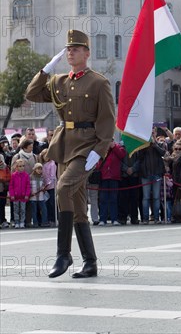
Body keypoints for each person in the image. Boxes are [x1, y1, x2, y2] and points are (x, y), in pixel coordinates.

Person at [25, 29, 115, 278]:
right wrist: (45, 71)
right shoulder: (59, 81)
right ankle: (90, 262)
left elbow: (107, 119)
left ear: (87, 53)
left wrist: (100, 149)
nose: (71, 52)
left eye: (76, 49)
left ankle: (63, 254)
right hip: (64, 146)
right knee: (76, 207)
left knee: (63, 189)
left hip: (87, 148)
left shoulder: (98, 82)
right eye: (68, 49)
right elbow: (31, 94)